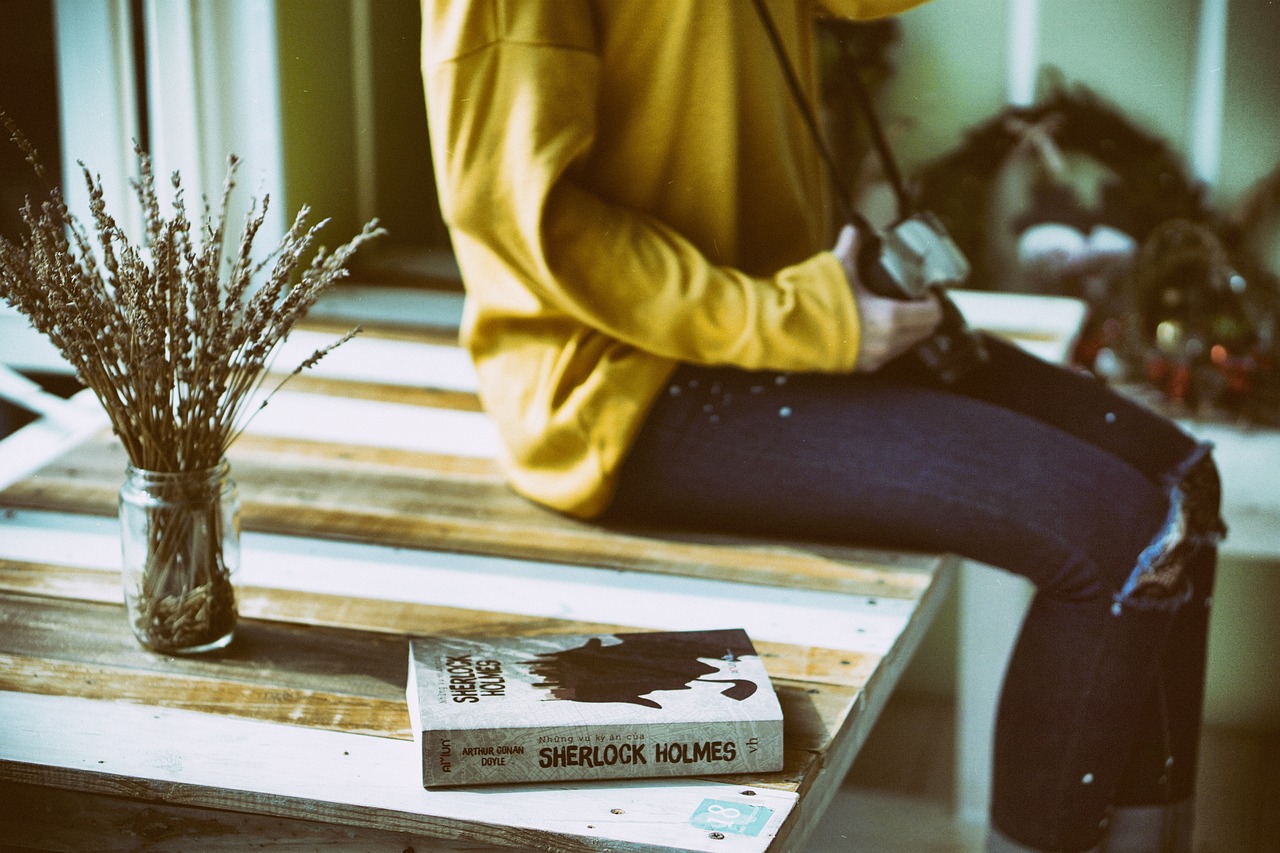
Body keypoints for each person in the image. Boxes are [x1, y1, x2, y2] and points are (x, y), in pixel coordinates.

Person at [418, 2, 1226, 850]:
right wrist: (795, 318)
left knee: (1182, 483)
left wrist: (804, 316)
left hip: (794, 314)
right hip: (623, 384)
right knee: (1124, 533)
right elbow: (520, 213)